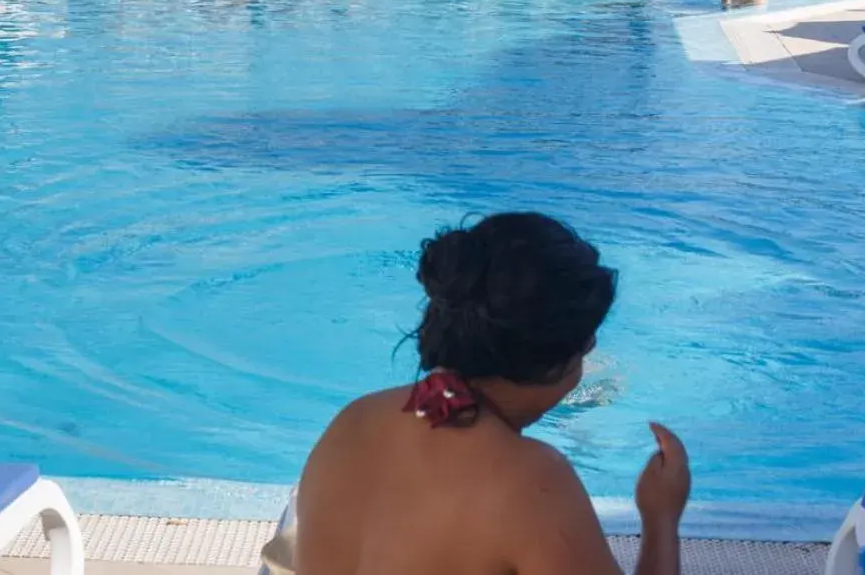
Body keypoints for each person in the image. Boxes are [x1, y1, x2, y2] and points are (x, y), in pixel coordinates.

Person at [293, 212, 689, 575]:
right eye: (586, 346)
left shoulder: (355, 419)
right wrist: (661, 517)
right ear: (551, 364)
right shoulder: (532, 483)